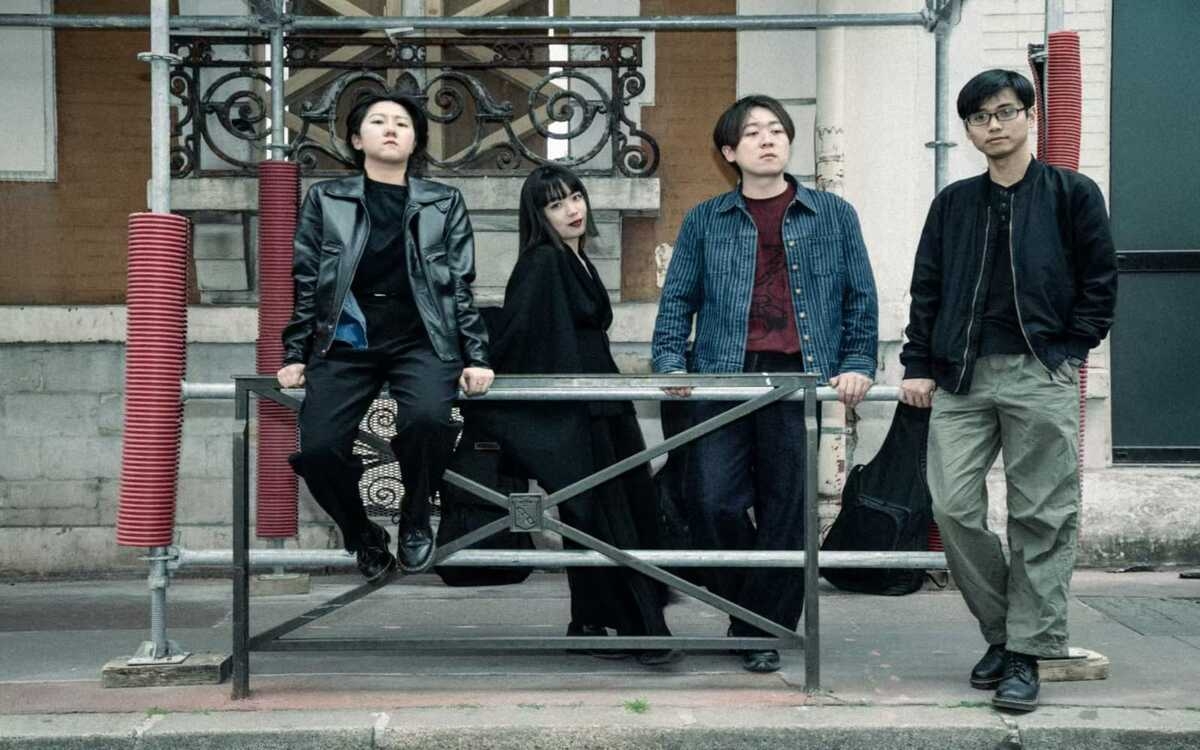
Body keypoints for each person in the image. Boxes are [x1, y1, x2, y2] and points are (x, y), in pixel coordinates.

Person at [899, 69, 1117, 712]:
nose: (993, 125)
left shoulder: (1072, 194)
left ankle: (1027, 651)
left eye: (1004, 112)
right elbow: (927, 287)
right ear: (968, 130)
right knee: (952, 507)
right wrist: (917, 363)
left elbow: (1100, 281)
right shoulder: (953, 204)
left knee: (1042, 515)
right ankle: (1004, 632)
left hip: (1040, 371)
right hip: (961, 376)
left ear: (1030, 115)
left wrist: (1070, 350)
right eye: (979, 117)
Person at [651, 94, 879, 673]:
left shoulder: (833, 214)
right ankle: (748, 612)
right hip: (723, 376)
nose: (768, 139)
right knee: (711, 501)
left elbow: (859, 296)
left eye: (776, 129)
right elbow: (678, 299)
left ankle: (760, 629)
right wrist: (670, 364)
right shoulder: (706, 219)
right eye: (753, 132)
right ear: (730, 151)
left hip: (798, 378)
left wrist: (857, 362)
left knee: (786, 509)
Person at [277, 91, 494, 583]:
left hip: (422, 338)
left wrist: (476, 355)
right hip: (347, 341)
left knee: (429, 420)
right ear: (357, 140)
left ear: (415, 141)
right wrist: (295, 353)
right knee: (319, 451)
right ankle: (362, 535)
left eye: (402, 123)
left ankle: (415, 516)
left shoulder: (443, 201)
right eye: (378, 121)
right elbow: (308, 281)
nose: (391, 128)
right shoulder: (326, 199)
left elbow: (459, 284)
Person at [469, 164, 678, 666]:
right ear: (539, 215)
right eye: (556, 204)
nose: (572, 209)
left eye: (576, 197)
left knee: (612, 511)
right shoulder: (543, 261)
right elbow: (517, 332)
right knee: (603, 516)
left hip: (602, 400)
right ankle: (638, 629)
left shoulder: (574, 258)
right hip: (581, 407)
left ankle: (592, 622)